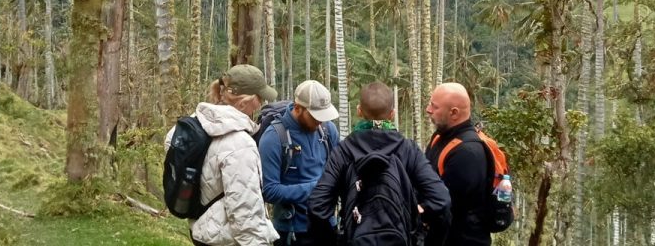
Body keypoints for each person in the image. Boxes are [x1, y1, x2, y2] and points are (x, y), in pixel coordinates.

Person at [308, 82, 451, 246]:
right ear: (392, 114)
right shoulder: (407, 149)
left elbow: (317, 207)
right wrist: (418, 224)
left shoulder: (344, 151)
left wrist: (334, 239)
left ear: (359, 111)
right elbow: (441, 200)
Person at [167, 64, 280, 246]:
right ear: (244, 102)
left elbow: (170, 143)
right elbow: (246, 213)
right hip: (227, 239)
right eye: (259, 98)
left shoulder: (195, 124)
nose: (261, 103)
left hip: (201, 230)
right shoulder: (240, 144)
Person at [259, 80, 340, 246]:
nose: (320, 122)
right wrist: (317, 188)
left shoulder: (328, 130)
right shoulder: (273, 137)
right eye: (315, 116)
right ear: (297, 108)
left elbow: (339, 170)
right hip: (292, 231)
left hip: (327, 224)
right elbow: (269, 191)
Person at [425, 82, 493, 246]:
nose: (428, 109)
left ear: (454, 113)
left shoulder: (468, 153)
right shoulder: (439, 137)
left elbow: (444, 204)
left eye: (434, 106)